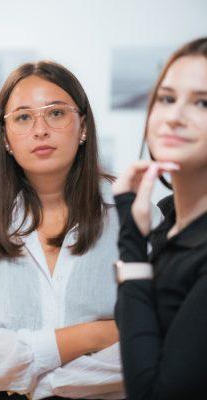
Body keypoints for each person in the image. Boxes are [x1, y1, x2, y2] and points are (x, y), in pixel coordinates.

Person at [0, 61, 126, 399]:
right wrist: (91, 336)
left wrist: (42, 382)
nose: (40, 129)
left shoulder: (129, 214)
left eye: (55, 113)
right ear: (6, 138)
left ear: (82, 125)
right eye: (23, 118)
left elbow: (149, 344)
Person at [112, 37, 207, 400]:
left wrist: (132, 243)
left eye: (202, 103)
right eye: (167, 98)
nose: (174, 117)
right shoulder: (168, 222)